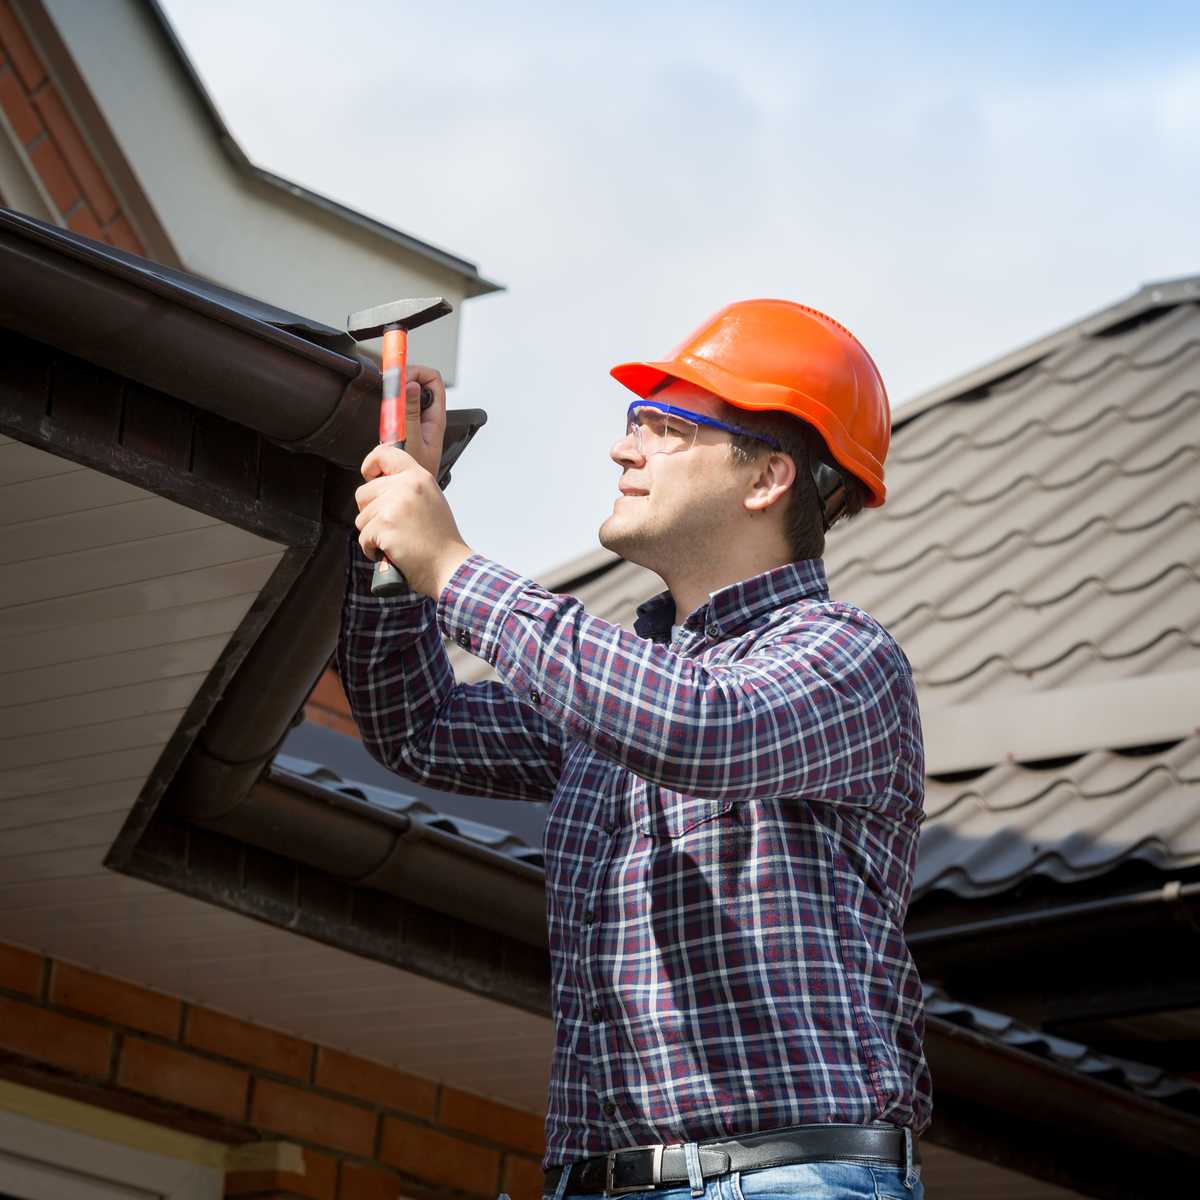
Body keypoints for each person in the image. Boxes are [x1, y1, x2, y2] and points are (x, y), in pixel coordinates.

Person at [339, 299, 929, 1200]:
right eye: (631, 424)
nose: (623, 450)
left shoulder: (844, 658)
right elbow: (418, 726)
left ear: (767, 477)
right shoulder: (618, 688)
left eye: (663, 427)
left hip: (787, 1180)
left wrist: (453, 566)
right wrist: (394, 539)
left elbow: (701, 727)